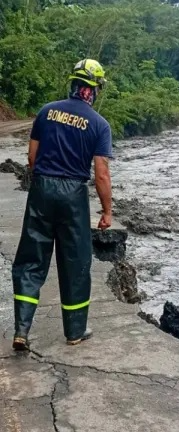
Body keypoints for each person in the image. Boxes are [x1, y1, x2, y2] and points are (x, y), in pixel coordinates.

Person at [11, 59, 113, 351]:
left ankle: (21, 330)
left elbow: (32, 157)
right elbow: (101, 174)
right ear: (94, 89)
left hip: (42, 189)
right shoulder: (99, 125)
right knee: (75, 262)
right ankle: (75, 331)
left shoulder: (46, 111)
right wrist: (107, 211)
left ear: (73, 83)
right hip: (73, 196)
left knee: (31, 258)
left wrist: (45, 183)